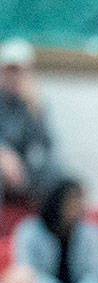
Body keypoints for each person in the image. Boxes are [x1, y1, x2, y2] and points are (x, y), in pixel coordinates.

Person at [0, 38, 59, 204]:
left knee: (57, 173)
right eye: (10, 71)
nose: (15, 77)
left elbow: (48, 148)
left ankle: (49, 229)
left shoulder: (35, 103)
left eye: (21, 71)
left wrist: (36, 113)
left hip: (23, 174)